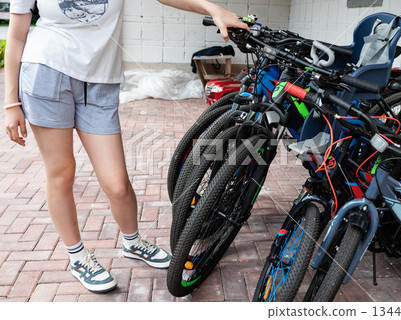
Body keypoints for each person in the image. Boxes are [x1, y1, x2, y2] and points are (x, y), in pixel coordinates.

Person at [4, 0, 249, 293]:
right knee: (62, 173)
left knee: (117, 183)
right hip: (46, 74)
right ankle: (78, 256)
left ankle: (132, 243)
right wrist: (10, 103)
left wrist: (213, 9)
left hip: (99, 82)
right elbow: (18, 35)